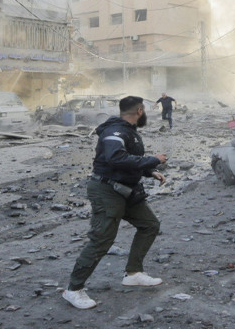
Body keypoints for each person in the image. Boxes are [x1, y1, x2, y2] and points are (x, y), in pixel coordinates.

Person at [62, 96, 167, 310]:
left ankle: (134, 273)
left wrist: (150, 171)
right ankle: (73, 289)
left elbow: (127, 160)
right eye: (144, 110)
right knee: (102, 239)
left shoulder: (129, 131)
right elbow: (115, 158)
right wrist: (153, 159)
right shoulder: (115, 132)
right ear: (139, 110)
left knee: (150, 225)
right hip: (106, 191)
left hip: (127, 191)